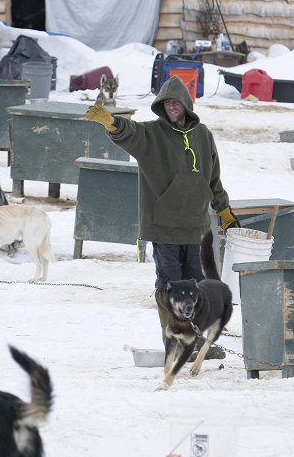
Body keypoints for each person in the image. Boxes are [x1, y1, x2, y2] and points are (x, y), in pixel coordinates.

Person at [83, 75, 239, 356]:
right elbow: (130, 132)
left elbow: (212, 176)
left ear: (186, 104)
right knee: (171, 286)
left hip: (195, 226)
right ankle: (176, 342)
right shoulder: (152, 135)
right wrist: (113, 124)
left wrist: (223, 209)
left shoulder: (203, 135)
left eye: (175, 102)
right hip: (163, 225)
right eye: (166, 102)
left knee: (196, 286)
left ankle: (196, 341)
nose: (171, 107)